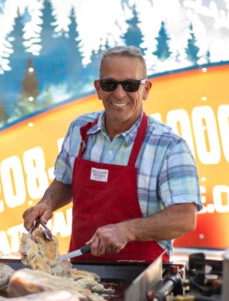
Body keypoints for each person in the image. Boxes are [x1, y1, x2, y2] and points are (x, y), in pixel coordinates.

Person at [22, 45, 202, 263]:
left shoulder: (169, 146)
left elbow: (185, 218)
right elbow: (65, 182)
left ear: (145, 90)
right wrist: (47, 204)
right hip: (79, 271)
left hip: (141, 277)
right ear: (98, 88)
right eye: (110, 84)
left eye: (130, 85)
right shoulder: (80, 130)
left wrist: (128, 231)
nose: (119, 94)